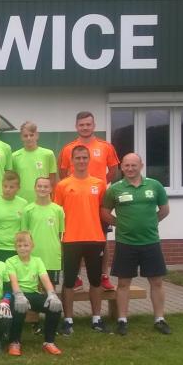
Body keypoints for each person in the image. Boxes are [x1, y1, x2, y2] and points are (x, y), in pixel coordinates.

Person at [101, 153, 172, 335]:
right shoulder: (114, 189)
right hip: (125, 243)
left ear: (141, 165)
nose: (130, 168)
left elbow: (164, 210)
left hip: (151, 241)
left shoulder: (154, 185)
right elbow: (104, 212)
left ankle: (159, 319)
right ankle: (122, 320)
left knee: (156, 282)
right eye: (126, 165)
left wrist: (151, 222)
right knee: (123, 283)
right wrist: (120, 224)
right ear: (122, 167)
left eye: (134, 165)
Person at [58, 111, 120, 291]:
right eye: (81, 125)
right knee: (73, 240)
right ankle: (76, 278)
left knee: (102, 239)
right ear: (76, 126)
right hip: (76, 201)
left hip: (97, 201)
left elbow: (113, 170)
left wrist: (98, 186)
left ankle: (103, 275)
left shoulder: (105, 146)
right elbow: (63, 173)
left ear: (94, 126)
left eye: (88, 124)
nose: (85, 127)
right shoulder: (68, 148)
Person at [54, 145, 109, 335]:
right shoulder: (62, 185)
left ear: (89, 159)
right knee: (69, 281)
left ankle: (96, 318)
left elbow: (103, 211)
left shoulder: (99, 184)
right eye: (77, 158)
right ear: (71, 161)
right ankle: (68, 320)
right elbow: (56, 213)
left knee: (95, 280)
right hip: (71, 239)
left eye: (85, 157)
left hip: (95, 238)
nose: (81, 161)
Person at [6, 232, 63, 356]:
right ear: (15, 247)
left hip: (33, 294)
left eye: (26, 245)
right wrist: (18, 295)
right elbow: (13, 281)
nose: (23, 248)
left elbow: (45, 278)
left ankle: (49, 342)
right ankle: (14, 342)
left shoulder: (37, 261)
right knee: (19, 308)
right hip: (18, 294)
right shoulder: (10, 261)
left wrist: (52, 294)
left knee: (55, 307)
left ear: (32, 246)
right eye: (19, 246)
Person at [22, 177, 65, 288]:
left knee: (51, 290)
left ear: (51, 189)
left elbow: (60, 234)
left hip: (52, 256)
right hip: (34, 255)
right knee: (34, 288)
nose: (42, 189)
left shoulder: (58, 210)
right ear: (35, 188)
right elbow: (24, 235)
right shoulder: (28, 210)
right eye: (39, 186)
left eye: (46, 186)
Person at [0, 170, 28, 262]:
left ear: (18, 188)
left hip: (16, 248)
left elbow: (25, 227)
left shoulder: (24, 204)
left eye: (11, 187)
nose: (7, 189)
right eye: (5, 186)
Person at [11, 121, 57, 204]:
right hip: (21, 201)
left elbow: (52, 180)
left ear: (37, 135)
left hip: (42, 201)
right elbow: (13, 180)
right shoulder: (14, 156)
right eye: (25, 136)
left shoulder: (48, 154)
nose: (29, 138)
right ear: (21, 137)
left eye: (31, 135)